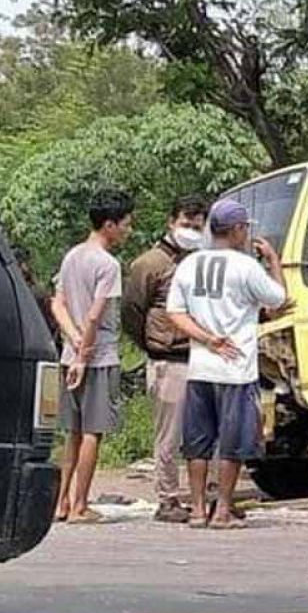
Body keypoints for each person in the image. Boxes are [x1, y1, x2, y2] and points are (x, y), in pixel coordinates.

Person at [166, 198, 287, 529]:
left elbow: (175, 313)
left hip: (201, 367)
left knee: (197, 442)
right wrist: (274, 261)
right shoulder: (246, 267)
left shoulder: (189, 265)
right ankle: (222, 512)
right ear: (235, 230)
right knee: (231, 443)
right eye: (245, 228)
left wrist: (206, 339)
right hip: (236, 368)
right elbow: (278, 301)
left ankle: (197, 510)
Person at [122, 194, 209, 524]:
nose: (191, 230)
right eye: (186, 224)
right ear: (171, 223)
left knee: (201, 433)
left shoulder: (202, 260)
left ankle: (202, 495)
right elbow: (132, 310)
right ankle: (168, 498)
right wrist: (151, 344)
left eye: (198, 226)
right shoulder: (150, 264)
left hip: (200, 356)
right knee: (169, 435)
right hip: (167, 360)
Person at [51, 189, 135, 524]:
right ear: (110, 225)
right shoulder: (108, 265)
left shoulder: (72, 256)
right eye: (126, 224)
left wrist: (72, 345)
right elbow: (95, 316)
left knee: (72, 431)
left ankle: (60, 503)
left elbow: (57, 304)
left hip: (71, 352)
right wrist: (84, 356)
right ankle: (80, 505)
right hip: (97, 357)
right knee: (92, 431)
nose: (128, 231)